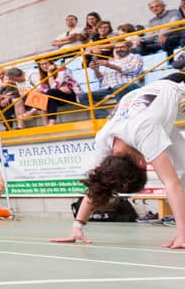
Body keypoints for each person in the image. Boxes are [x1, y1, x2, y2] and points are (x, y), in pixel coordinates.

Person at [52, 73, 185, 249]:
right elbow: (96, 185)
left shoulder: (144, 133)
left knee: (175, 178)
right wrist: (77, 227)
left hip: (178, 87)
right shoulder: (104, 139)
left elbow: (171, 184)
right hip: (152, 100)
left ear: (140, 163)